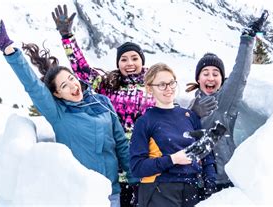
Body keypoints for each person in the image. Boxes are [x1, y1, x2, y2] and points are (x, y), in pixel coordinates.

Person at [51, 5, 216, 206]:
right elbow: (81, 69)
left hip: (154, 164)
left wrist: (192, 113)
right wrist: (67, 36)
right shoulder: (108, 84)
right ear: (118, 63)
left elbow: (171, 112)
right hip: (121, 166)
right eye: (124, 59)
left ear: (142, 60)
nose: (129, 63)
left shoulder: (153, 84)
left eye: (134, 58)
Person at [0, 19, 134, 207]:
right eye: (64, 86)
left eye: (71, 79)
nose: (72, 86)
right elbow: (33, 86)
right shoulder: (59, 113)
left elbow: (121, 145)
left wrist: (136, 181)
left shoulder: (102, 102)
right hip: (80, 194)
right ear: (57, 94)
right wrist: (8, 47)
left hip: (111, 191)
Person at [185, 11, 268, 193]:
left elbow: (240, 74)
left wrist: (246, 40)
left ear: (222, 80)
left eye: (216, 74)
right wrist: (192, 114)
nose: (211, 78)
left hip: (223, 179)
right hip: (196, 180)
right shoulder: (189, 106)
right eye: (205, 73)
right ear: (198, 78)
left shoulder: (224, 101)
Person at [130, 63, 217, 207]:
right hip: (159, 190)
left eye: (171, 83)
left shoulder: (189, 116)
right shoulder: (144, 122)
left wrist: (210, 181)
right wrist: (173, 159)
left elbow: (206, 153)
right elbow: (137, 167)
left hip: (192, 189)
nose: (168, 88)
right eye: (162, 85)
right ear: (150, 89)